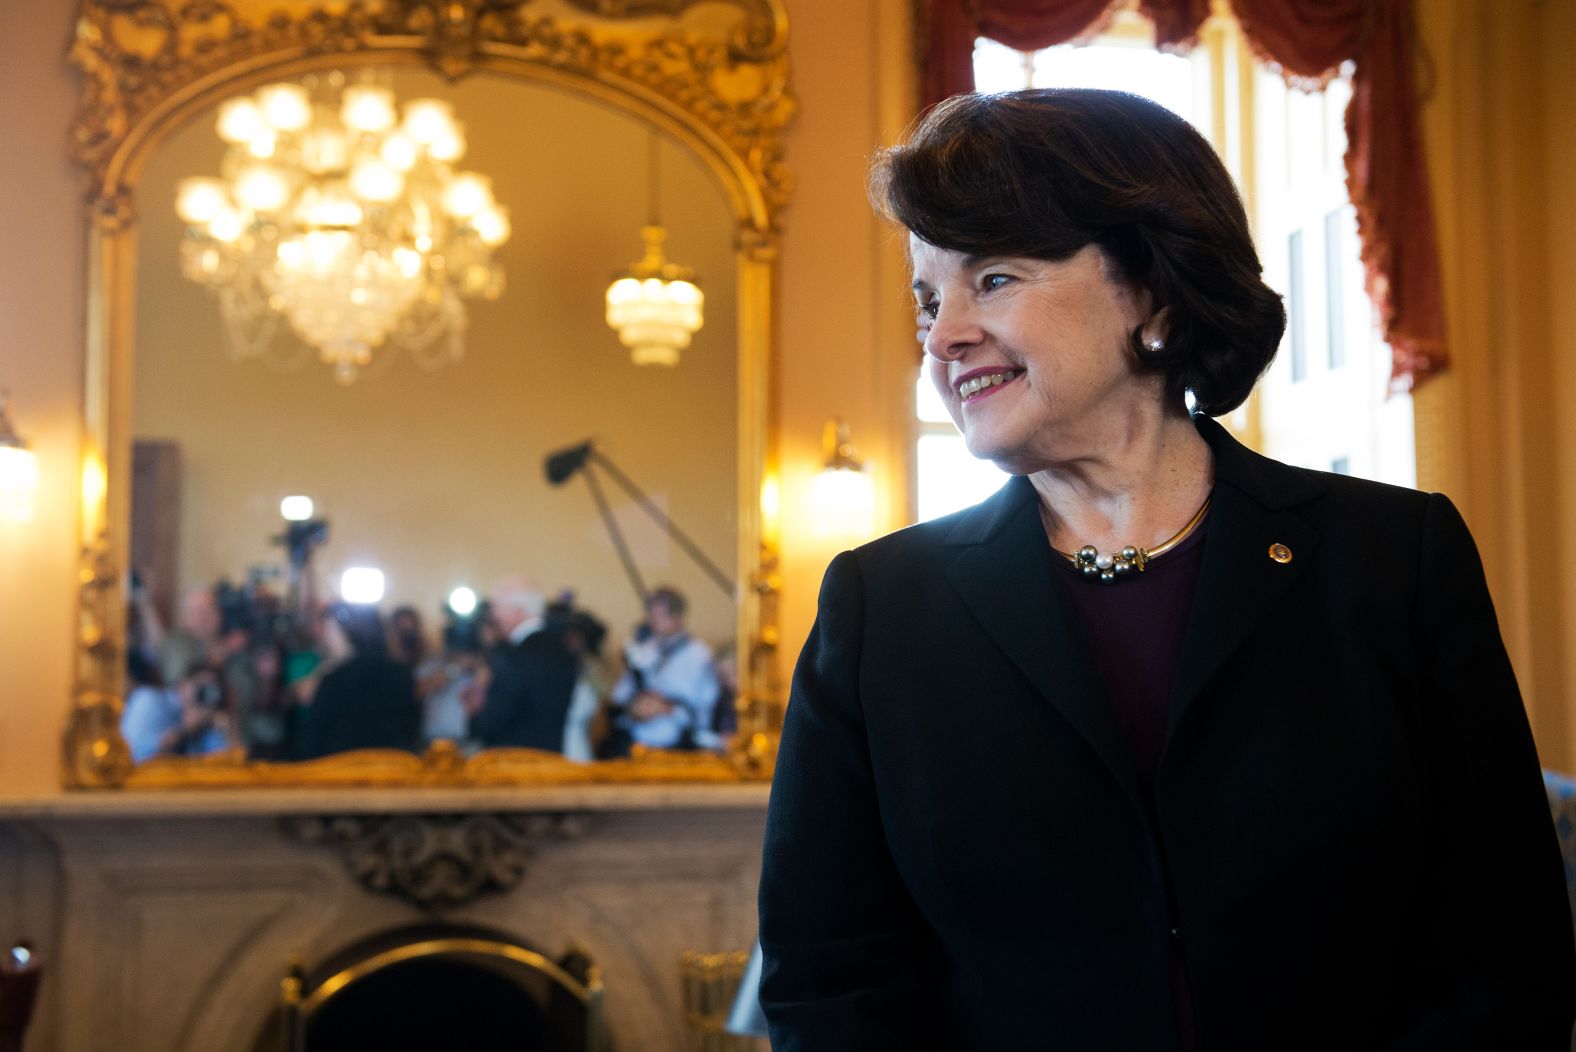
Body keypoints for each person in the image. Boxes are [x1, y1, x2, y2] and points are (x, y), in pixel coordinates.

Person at [758, 89, 1576, 1050]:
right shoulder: (882, 608)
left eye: (995, 280)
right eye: (930, 299)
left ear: (1152, 290)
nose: (942, 338)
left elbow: (1503, 947)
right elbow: (829, 981)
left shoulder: (1395, 558)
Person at [605, 587, 722, 754]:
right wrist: (634, 708)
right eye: (651, 615)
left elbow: (707, 705)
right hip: (638, 743)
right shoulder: (642, 650)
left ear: (679, 617)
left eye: (661, 616)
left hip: (681, 746)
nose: (654, 621)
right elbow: (619, 696)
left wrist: (668, 709)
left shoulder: (699, 655)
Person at [295, 603, 420, 759]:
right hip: (392, 769)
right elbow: (411, 728)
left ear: (344, 634)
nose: (326, 635)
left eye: (331, 629)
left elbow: (313, 738)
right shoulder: (400, 672)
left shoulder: (335, 679)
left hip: (338, 770)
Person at [471, 577, 580, 752]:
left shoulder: (511, 656)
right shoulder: (564, 650)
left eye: (497, 608)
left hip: (511, 763)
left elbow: (491, 723)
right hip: (551, 761)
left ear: (518, 611)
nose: (493, 616)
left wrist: (476, 707)